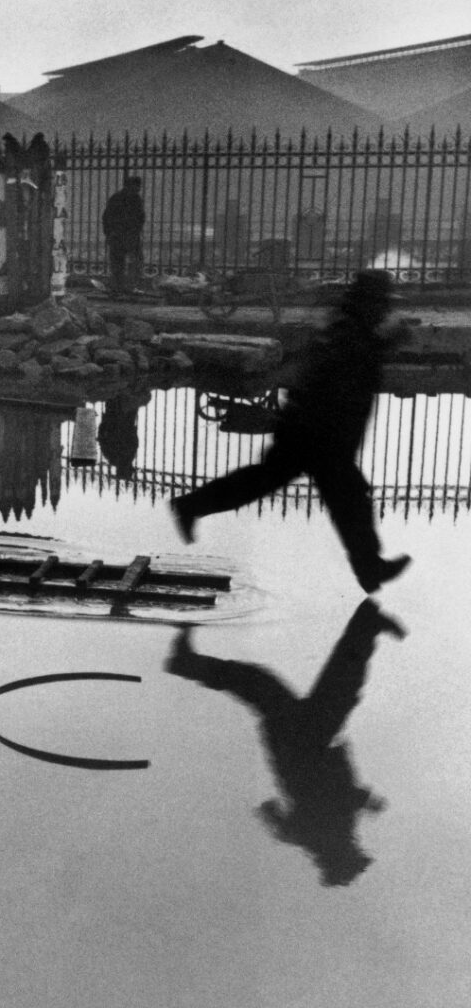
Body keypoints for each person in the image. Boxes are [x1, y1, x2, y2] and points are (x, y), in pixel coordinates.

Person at [170, 270, 411, 594]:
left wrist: (382, 343)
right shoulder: (350, 333)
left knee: (280, 485)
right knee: (348, 500)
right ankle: (370, 568)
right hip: (317, 436)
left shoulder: (349, 327)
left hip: (312, 433)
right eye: (381, 303)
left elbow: (349, 362)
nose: (384, 310)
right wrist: (385, 343)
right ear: (369, 303)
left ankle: (370, 568)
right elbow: (348, 370)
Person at [165, 600, 406, 886]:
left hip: (301, 745)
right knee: (329, 683)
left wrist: (366, 801)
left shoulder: (325, 836)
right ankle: (368, 623)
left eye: (356, 854)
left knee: (299, 684)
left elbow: (330, 802)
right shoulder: (322, 836)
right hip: (306, 743)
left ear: (343, 855)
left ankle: (368, 622)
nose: (358, 848)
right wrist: (362, 802)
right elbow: (286, 816)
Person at [101, 176, 145, 292]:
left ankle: (118, 286)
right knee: (134, 261)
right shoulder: (135, 199)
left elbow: (106, 217)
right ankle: (129, 286)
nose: (138, 189)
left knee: (118, 263)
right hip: (128, 235)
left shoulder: (116, 198)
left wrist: (108, 233)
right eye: (137, 186)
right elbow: (140, 217)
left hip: (117, 235)